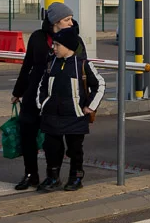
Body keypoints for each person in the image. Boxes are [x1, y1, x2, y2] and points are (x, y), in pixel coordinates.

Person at [11, 1, 76, 191]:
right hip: (34, 92)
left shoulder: (72, 38)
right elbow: (27, 65)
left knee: (52, 138)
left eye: (70, 19)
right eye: (66, 20)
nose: (70, 23)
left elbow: (79, 66)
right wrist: (18, 91)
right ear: (55, 21)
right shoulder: (38, 38)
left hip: (55, 95)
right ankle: (30, 174)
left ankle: (52, 175)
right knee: (27, 133)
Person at [36, 26, 105, 191]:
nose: (54, 48)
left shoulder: (82, 65)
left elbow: (100, 84)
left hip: (75, 116)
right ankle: (53, 177)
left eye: (57, 45)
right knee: (52, 148)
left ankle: (76, 177)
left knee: (75, 149)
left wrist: (90, 107)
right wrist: (42, 103)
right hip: (52, 115)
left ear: (68, 46)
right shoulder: (51, 63)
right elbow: (42, 85)